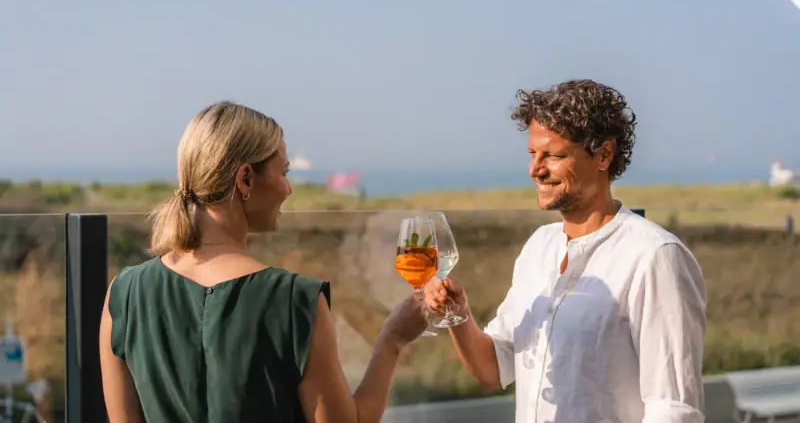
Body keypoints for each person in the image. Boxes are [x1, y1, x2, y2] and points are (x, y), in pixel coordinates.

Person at [98, 101, 428, 423]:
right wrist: (392, 340)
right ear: (245, 179)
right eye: (283, 172)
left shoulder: (124, 294)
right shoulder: (295, 301)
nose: (288, 188)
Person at [425, 80, 707, 422]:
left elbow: (674, 408)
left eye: (554, 155)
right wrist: (459, 314)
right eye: (532, 154)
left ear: (604, 154)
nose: (535, 170)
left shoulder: (655, 256)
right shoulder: (538, 247)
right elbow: (493, 370)